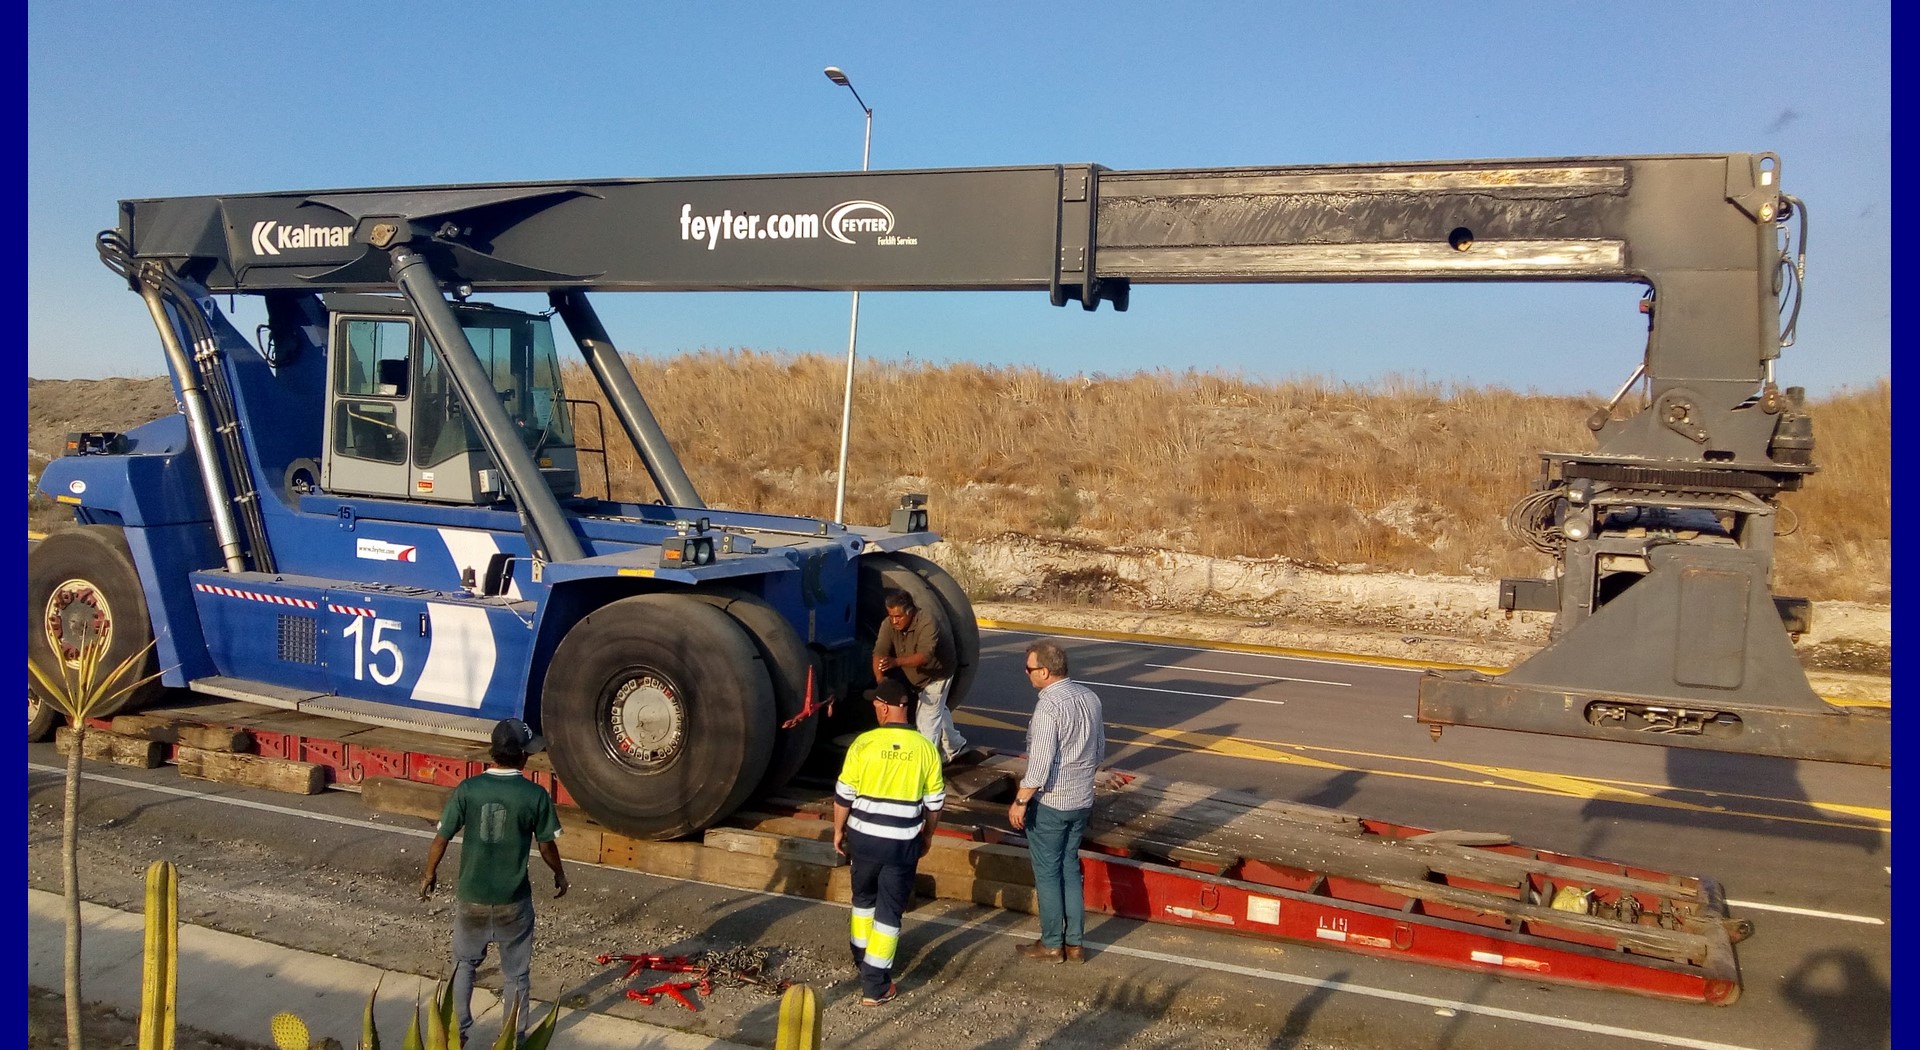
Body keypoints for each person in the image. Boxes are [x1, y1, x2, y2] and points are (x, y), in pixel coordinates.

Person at [419, 718, 569, 1042]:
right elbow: (547, 846)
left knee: (464, 965)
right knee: (516, 974)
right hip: (513, 901)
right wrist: (559, 874)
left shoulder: (468, 789)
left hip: (471, 896)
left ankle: (458, 1033)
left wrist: (429, 874)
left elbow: (441, 838)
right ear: (523, 756)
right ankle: (512, 1038)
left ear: (493, 752)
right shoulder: (535, 795)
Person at [832, 678, 946, 1006]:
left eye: (875, 704)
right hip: (901, 844)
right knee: (889, 912)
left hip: (863, 840)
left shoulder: (864, 744)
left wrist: (838, 831)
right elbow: (934, 802)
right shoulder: (925, 748)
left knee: (862, 900)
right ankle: (876, 986)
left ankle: (861, 959)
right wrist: (927, 836)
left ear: (884, 708)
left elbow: (844, 795)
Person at [1008, 640, 1106, 963]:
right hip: (1081, 800)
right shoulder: (1090, 698)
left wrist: (1020, 800)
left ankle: (1051, 942)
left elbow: (1039, 765)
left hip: (1051, 803)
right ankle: (1075, 944)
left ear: (1045, 672)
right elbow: (1099, 752)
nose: (1026, 674)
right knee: (1069, 867)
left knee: (1048, 873)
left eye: (1029, 669)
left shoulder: (1048, 707)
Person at [872, 588, 969, 763]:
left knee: (926, 720)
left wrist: (895, 662)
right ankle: (955, 744)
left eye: (898, 616)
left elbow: (924, 657)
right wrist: (881, 680)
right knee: (937, 709)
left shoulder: (928, 622)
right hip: (914, 675)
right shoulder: (888, 624)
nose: (894, 621)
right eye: (891, 616)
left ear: (910, 612)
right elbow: (879, 652)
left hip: (937, 674)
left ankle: (926, 763)